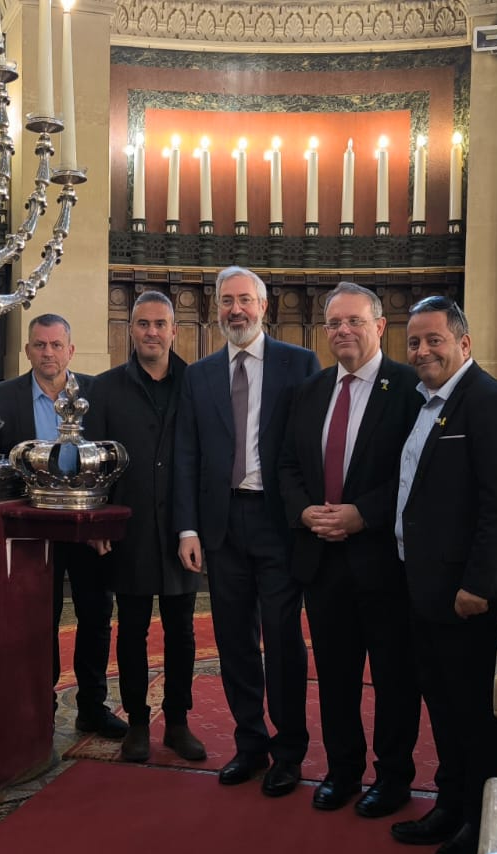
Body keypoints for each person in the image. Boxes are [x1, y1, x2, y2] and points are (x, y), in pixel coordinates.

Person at [389, 296, 497, 854]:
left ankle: (479, 822)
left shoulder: (491, 404)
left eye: (434, 340)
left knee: (473, 717)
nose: (422, 351)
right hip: (421, 587)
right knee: (442, 709)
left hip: (462, 598)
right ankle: (449, 806)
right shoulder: (427, 404)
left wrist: (478, 585)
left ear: (463, 344)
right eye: (415, 342)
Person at [173, 266, 320, 796]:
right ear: (216, 309)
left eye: (245, 300)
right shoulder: (200, 374)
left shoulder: (299, 365)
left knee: (283, 640)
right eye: (226, 301)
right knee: (234, 638)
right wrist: (188, 528)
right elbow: (186, 454)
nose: (236, 310)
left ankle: (289, 751)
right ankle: (249, 742)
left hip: (278, 522)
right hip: (221, 523)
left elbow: (310, 448)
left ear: (265, 306)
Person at [279, 283, 422, 817]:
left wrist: (365, 513)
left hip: (382, 560)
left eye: (354, 322)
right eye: (334, 322)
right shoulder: (311, 391)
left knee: (393, 678)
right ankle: (342, 771)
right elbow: (288, 466)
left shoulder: (409, 387)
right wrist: (303, 511)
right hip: (322, 560)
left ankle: (393, 778)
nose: (343, 331)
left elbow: (415, 474)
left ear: (380, 326)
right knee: (335, 677)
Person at [84, 291, 206, 763]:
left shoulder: (195, 383)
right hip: (129, 527)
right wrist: (96, 521)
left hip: (181, 527)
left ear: (175, 330)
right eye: (143, 324)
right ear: (130, 330)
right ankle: (137, 722)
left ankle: (177, 722)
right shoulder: (106, 387)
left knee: (182, 631)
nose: (151, 332)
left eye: (160, 324)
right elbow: (93, 462)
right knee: (130, 629)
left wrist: (196, 525)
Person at [0, 314, 126, 739]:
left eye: (55, 345)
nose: (47, 353)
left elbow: (115, 462)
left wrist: (106, 522)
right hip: (33, 531)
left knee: (96, 615)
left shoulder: (99, 393)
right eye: (39, 345)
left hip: (89, 532)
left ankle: (92, 705)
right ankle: (39, 706)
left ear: (70, 349)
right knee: (37, 619)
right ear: (28, 350)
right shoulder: (2, 397)